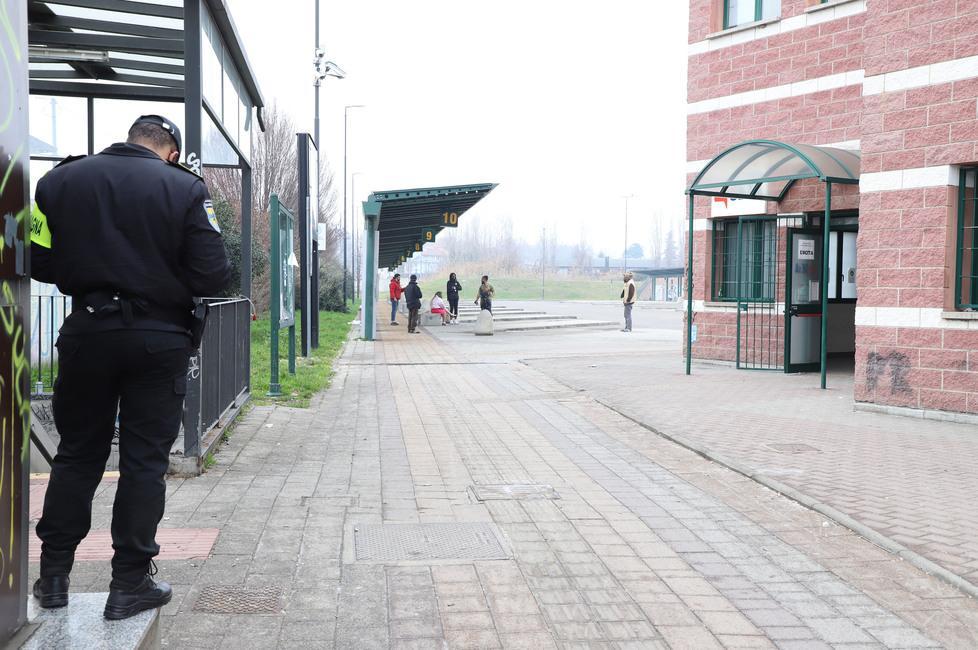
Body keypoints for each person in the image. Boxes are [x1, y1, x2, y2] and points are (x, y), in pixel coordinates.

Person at [30, 115, 231, 620]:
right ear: (170, 152)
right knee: (143, 463)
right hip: (158, 340)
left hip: (86, 335)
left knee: (77, 456)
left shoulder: (58, 181)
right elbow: (212, 275)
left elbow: (38, 261)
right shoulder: (185, 188)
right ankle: (128, 585)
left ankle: (52, 577)